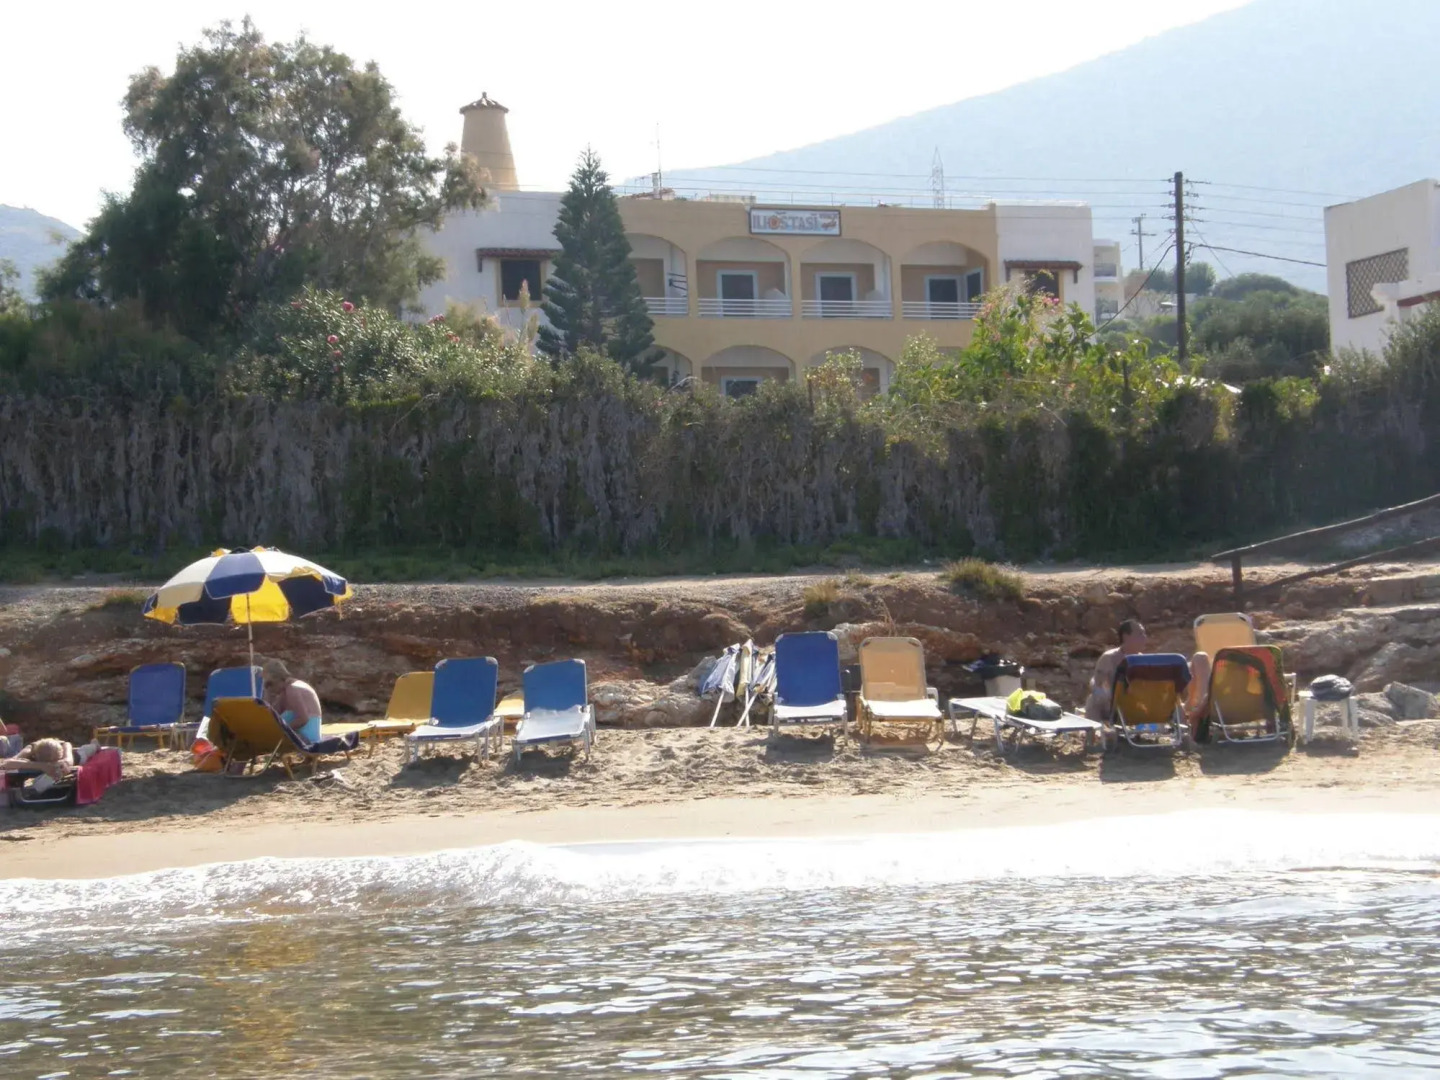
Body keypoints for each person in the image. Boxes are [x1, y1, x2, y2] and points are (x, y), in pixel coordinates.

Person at [1084, 619, 1150, 722]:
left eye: (1144, 634)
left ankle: (1183, 734)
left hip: (1137, 706)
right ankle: (1096, 732)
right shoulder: (1109, 658)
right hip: (1112, 706)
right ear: (1126, 636)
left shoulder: (1143, 661)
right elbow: (1098, 686)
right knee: (1092, 700)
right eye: (1140, 634)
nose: (1145, 638)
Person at [262, 659, 324, 744]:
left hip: (307, 738)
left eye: (270, 684)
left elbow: (303, 719)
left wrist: (282, 731)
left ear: (278, 678)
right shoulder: (286, 691)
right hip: (303, 735)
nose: (270, 688)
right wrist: (267, 693)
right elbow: (271, 715)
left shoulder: (293, 689)